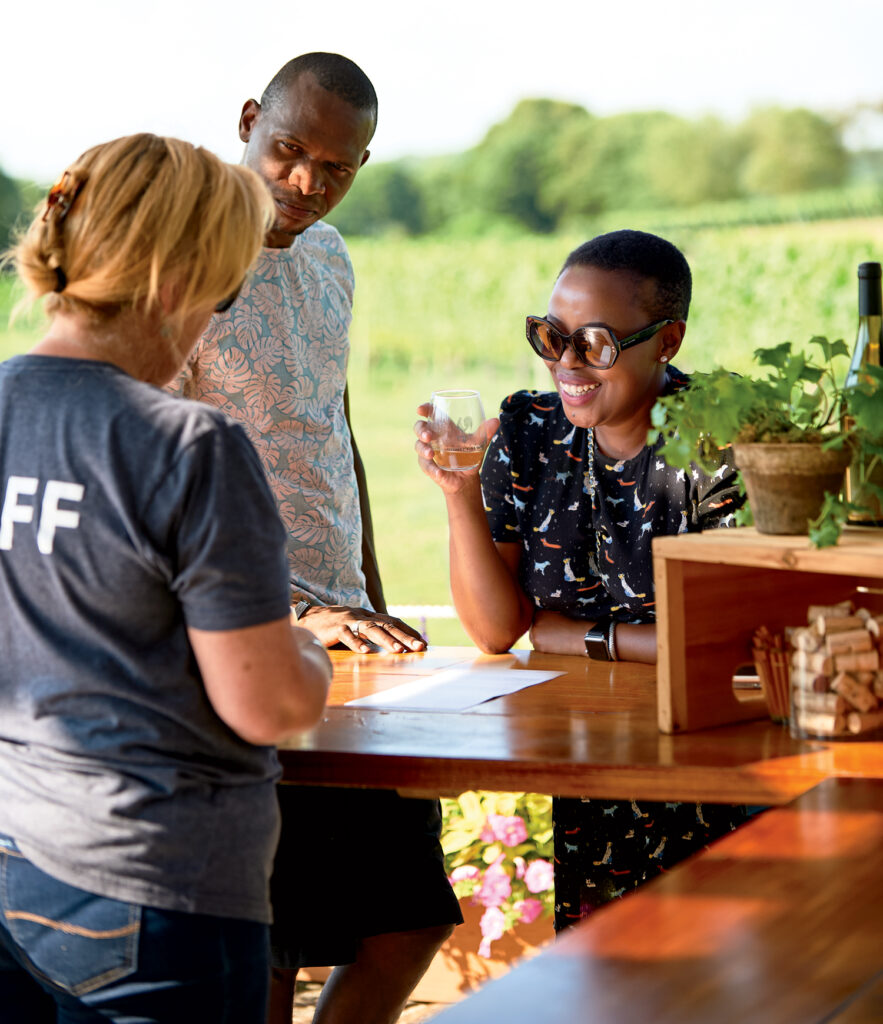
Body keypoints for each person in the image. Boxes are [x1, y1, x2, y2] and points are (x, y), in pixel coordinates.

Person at [0, 134, 333, 1024]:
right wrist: (308, 653)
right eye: (225, 292)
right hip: (163, 889)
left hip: (15, 866)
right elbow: (265, 705)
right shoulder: (190, 447)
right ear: (175, 281)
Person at [169, 53, 461, 1024]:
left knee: (408, 920)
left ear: (361, 168)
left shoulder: (332, 260)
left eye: (336, 168)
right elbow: (159, 486)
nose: (306, 182)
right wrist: (290, 609)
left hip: (353, 641)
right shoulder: (182, 264)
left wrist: (368, 590)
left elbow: (332, 433)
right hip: (238, 652)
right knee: (263, 954)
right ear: (249, 120)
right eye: (289, 150)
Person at [415, 229, 746, 930]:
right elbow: (498, 629)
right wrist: (459, 494)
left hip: (718, 768)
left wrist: (578, 636)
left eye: (592, 342)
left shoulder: (725, 444)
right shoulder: (529, 431)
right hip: (591, 773)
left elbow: (731, 646)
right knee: (603, 982)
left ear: (666, 340)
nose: (565, 363)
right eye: (550, 335)